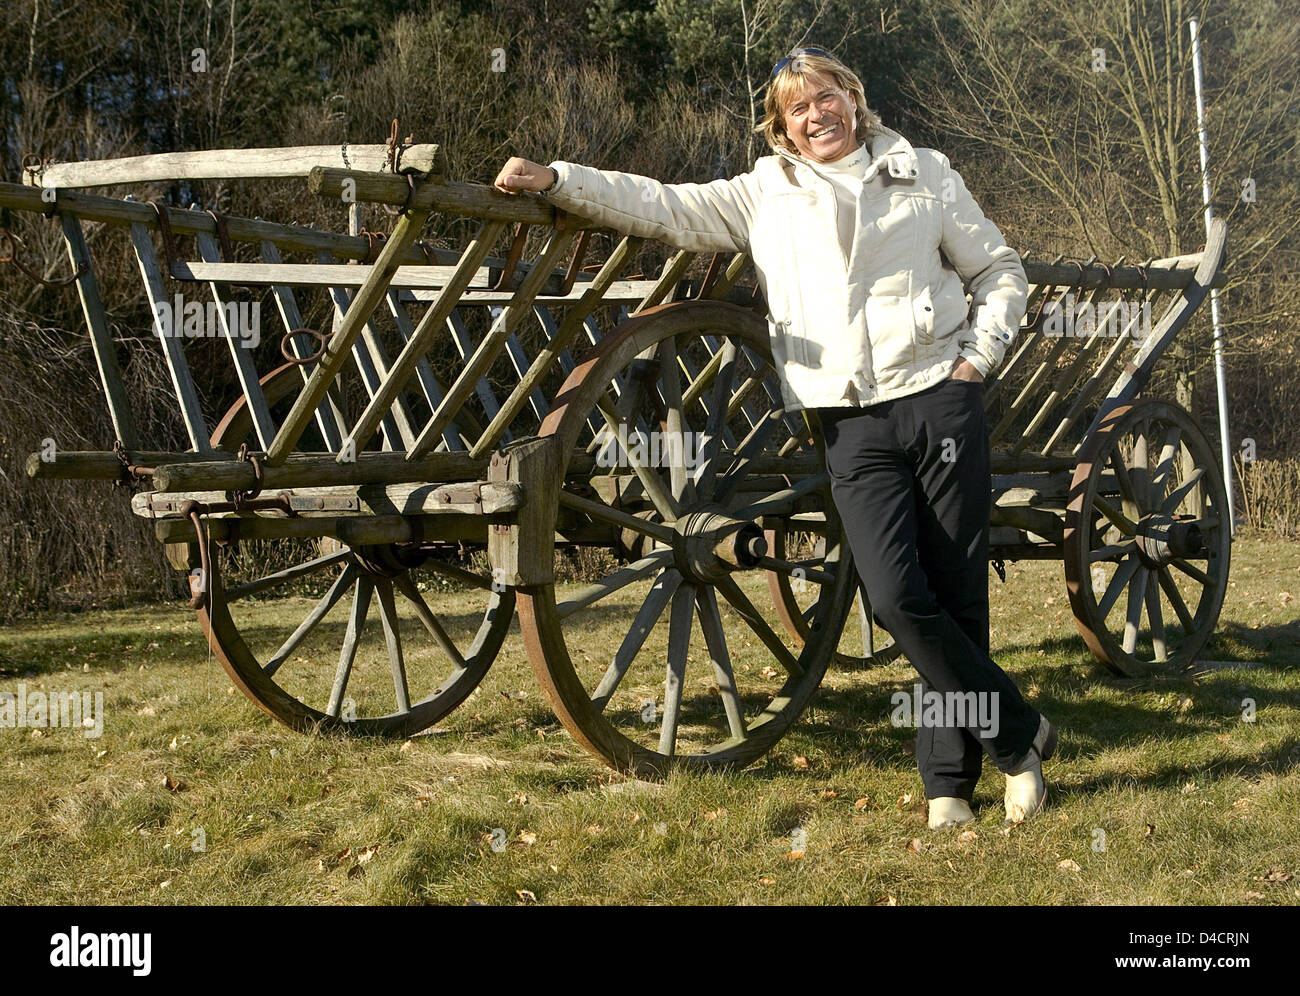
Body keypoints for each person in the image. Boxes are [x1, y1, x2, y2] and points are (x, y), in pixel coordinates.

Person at [493, 47, 1057, 828]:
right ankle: (1021, 734)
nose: (817, 114)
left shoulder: (923, 170)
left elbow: (998, 270)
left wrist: (974, 363)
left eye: (828, 97)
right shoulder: (765, 193)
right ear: (782, 127)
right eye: (799, 107)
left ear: (855, 102)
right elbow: (662, 205)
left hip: (938, 401)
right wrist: (562, 180)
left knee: (956, 595)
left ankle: (949, 787)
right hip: (847, 418)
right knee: (897, 597)